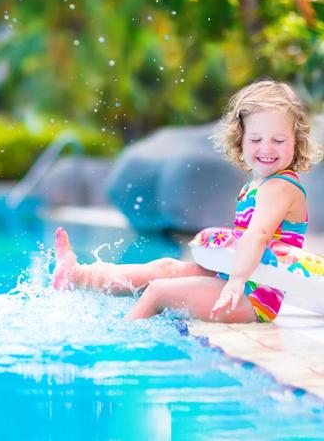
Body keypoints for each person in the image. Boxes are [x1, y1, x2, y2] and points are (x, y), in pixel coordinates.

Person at [52, 79, 323, 322]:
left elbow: (258, 235)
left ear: (297, 142)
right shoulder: (257, 184)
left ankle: (121, 347)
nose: (266, 148)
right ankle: (78, 275)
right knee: (165, 268)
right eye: (256, 139)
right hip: (237, 279)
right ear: (240, 140)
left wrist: (236, 281)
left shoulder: (281, 186)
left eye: (278, 140)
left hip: (253, 297)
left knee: (159, 291)